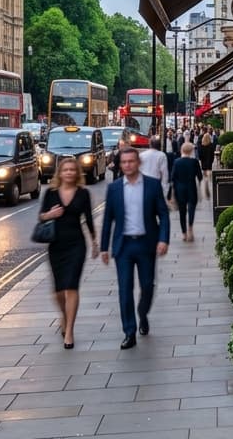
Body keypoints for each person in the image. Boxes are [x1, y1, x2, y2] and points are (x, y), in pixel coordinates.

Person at [100, 147, 171, 349]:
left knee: (148, 285)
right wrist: (104, 247)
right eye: (124, 162)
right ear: (120, 165)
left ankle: (142, 313)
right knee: (125, 289)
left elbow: (163, 215)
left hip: (146, 243)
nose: (128, 165)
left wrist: (163, 239)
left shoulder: (152, 185)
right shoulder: (114, 189)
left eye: (131, 161)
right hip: (123, 246)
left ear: (138, 163)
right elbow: (108, 220)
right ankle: (129, 332)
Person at [37, 156, 98, 349]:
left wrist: (94, 241)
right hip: (56, 245)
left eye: (73, 169)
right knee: (58, 290)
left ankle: (69, 330)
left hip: (76, 245)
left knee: (71, 286)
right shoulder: (51, 193)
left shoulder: (83, 193)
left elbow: (88, 218)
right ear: (60, 173)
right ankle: (64, 316)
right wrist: (49, 215)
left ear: (77, 172)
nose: (69, 172)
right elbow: (41, 216)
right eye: (66, 170)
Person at [171, 140, 203, 241]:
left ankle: (184, 233)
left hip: (180, 189)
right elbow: (200, 177)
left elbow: (172, 177)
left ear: (182, 150)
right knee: (191, 209)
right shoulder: (194, 162)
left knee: (182, 211)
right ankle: (190, 227)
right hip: (191, 187)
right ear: (191, 151)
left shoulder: (177, 162)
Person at [198, 127, 215, 198]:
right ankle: (208, 184)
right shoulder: (211, 145)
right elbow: (212, 154)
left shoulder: (201, 145)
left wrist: (201, 159)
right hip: (209, 162)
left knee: (204, 173)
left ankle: (205, 184)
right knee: (209, 173)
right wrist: (212, 160)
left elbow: (200, 154)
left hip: (203, 162)